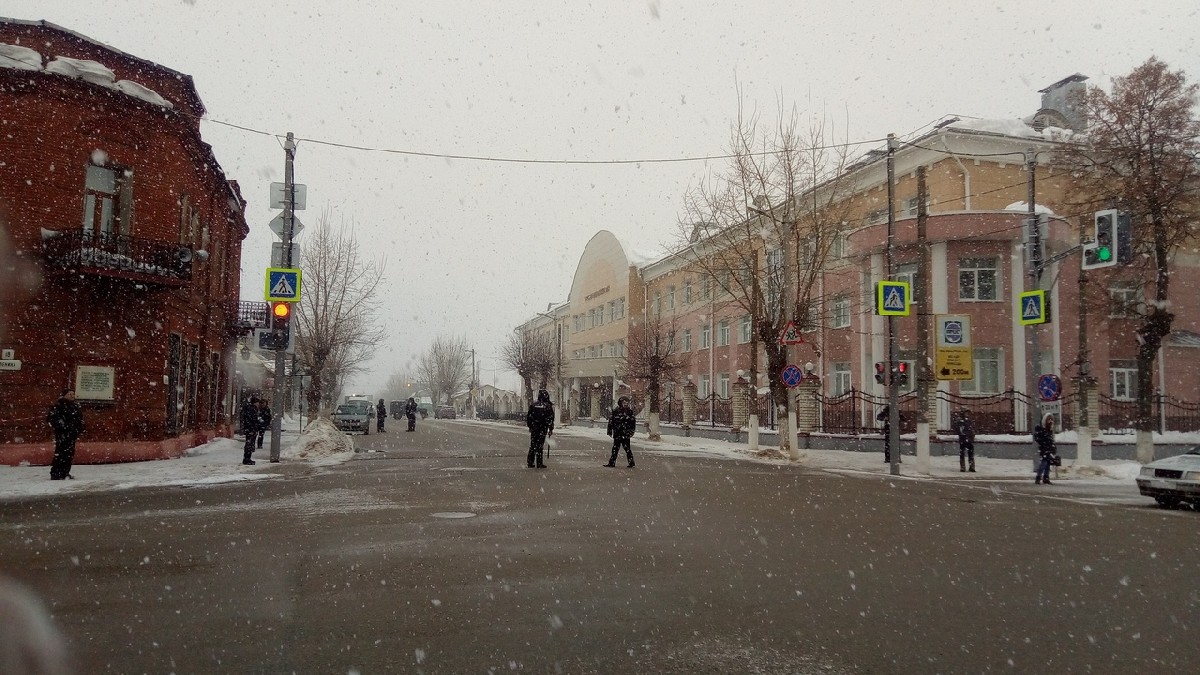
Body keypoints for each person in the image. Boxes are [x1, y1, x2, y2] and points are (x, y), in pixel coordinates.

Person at [47, 389, 84, 480]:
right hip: (62, 434)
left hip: (72, 434)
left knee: (69, 454)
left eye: (73, 394)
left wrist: (79, 427)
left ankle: (65, 472)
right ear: (64, 395)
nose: (72, 396)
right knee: (60, 453)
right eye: (69, 394)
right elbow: (53, 419)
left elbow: (80, 419)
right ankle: (56, 473)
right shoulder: (59, 406)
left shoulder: (75, 406)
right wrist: (65, 427)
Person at [605, 396, 637, 468]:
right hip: (617, 433)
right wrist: (609, 431)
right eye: (624, 402)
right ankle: (611, 463)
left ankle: (631, 463)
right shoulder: (616, 411)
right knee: (615, 448)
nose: (625, 404)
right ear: (620, 403)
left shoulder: (629, 412)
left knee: (627, 449)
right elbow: (611, 421)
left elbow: (633, 423)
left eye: (627, 403)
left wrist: (631, 432)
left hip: (625, 434)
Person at [525, 389, 555, 468]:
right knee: (540, 445)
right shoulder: (548, 406)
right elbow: (550, 418)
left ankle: (530, 462)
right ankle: (539, 462)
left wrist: (530, 426)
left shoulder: (533, 405)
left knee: (533, 445)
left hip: (534, 428)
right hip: (543, 428)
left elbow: (529, 417)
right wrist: (550, 429)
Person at [1033, 413, 1058, 485]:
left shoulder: (1049, 429)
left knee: (1048, 463)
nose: (1050, 421)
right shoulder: (1042, 429)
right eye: (1048, 419)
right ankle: (1039, 477)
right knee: (1043, 463)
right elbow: (1038, 438)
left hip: (1049, 449)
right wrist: (1044, 444)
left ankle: (1046, 477)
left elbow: (1051, 440)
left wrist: (1053, 447)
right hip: (1044, 449)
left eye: (1051, 419)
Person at [239, 396, 260, 465]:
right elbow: (251, 420)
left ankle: (247, 458)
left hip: (250, 429)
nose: (258, 404)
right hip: (251, 429)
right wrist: (252, 428)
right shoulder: (251, 409)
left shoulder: (251, 409)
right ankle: (247, 459)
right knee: (249, 444)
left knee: (250, 444)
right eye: (257, 403)